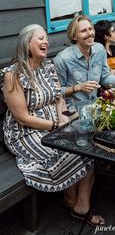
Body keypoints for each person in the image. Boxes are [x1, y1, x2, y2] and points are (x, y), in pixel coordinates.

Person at [1, 24, 105, 226]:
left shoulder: (48, 67)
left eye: (46, 38)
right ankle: (71, 200)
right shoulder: (12, 75)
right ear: (26, 44)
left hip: (55, 123)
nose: (45, 42)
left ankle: (81, 205)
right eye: (40, 38)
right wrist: (55, 126)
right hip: (26, 132)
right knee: (65, 152)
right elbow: (22, 117)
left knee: (88, 146)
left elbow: (58, 98)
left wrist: (63, 118)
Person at [54, 15, 115, 109]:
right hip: (73, 112)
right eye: (84, 31)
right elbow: (57, 92)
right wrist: (78, 87)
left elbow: (105, 78)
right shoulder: (62, 59)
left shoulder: (99, 49)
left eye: (90, 29)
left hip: (95, 107)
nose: (90, 33)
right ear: (74, 36)